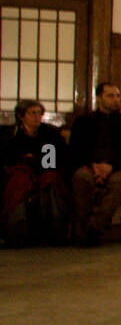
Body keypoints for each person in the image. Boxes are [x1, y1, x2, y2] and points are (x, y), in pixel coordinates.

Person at [69, 83, 121, 247]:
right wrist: (93, 166)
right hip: (89, 167)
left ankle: (94, 227)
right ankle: (81, 230)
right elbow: (75, 150)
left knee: (119, 182)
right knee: (81, 178)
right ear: (99, 98)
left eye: (117, 96)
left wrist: (112, 166)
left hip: (116, 168)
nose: (115, 100)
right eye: (110, 96)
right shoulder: (83, 122)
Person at [2, 99, 69, 246]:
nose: (37, 117)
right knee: (19, 180)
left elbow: (53, 161)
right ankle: (17, 231)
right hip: (20, 172)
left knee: (50, 179)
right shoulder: (11, 134)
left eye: (39, 113)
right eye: (32, 113)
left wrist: (36, 159)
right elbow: (7, 159)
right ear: (21, 116)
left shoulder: (50, 133)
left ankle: (54, 231)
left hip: (45, 170)